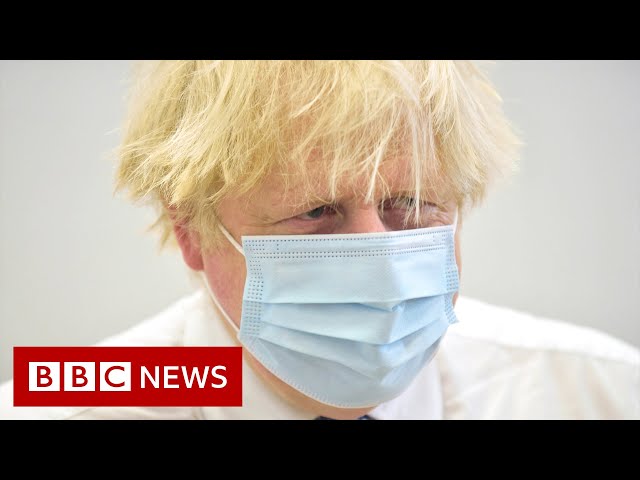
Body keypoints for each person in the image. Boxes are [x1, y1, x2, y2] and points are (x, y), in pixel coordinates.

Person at [0, 60, 638, 420]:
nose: (379, 260)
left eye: (410, 204)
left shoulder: (595, 392)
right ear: (193, 231)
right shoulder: (72, 402)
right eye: (317, 211)